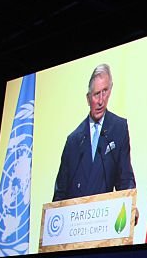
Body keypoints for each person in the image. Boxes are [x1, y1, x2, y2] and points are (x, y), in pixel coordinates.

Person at [52, 64, 136, 202]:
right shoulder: (73, 141)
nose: (101, 101)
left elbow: (125, 179)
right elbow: (60, 192)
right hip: (77, 218)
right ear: (88, 98)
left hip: (104, 216)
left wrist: (130, 205)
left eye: (105, 91)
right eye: (97, 94)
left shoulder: (118, 128)